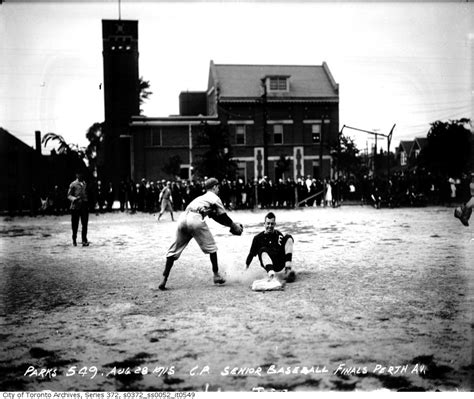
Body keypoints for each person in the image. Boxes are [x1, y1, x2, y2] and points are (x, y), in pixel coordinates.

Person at [158, 177, 244, 290]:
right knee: (212, 248)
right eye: (218, 187)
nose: (219, 189)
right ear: (214, 187)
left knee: (173, 251)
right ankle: (216, 275)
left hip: (183, 218)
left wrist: (231, 225)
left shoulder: (200, 198)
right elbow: (223, 216)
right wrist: (233, 226)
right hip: (195, 219)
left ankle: (164, 279)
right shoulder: (214, 197)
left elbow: (214, 217)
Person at [245, 212, 296, 282]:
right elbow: (251, 254)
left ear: (275, 224)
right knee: (262, 249)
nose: (270, 226)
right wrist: (245, 269)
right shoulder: (257, 238)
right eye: (268, 223)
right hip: (268, 263)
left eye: (272, 224)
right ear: (264, 224)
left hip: (279, 262)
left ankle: (288, 270)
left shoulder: (278, 234)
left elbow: (285, 248)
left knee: (288, 237)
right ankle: (271, 275)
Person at [67, 172, 89, 246]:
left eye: (81, 174)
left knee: (85, 223)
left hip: (84, 206)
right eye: (79, 174)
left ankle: (84, 239)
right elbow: (69, 195)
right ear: (76, 175)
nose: (80, 175)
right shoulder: (73, 184)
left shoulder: (85, 183)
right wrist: (74, 199)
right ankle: (74, 239)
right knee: (75, 224)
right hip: (75, 207)